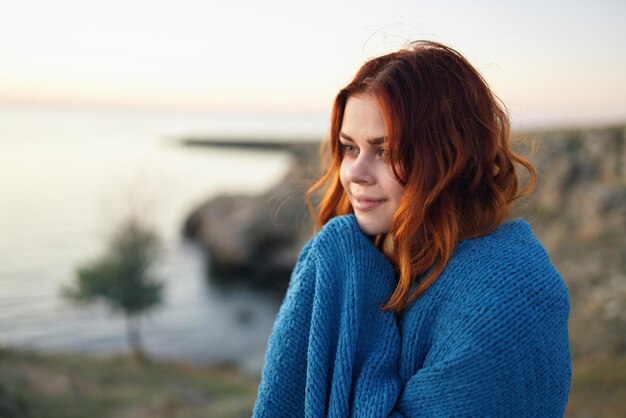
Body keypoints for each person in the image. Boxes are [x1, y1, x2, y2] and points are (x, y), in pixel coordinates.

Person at [253, 40, 571, 417]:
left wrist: (355, 279)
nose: (353, 172)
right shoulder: (367, 254)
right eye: (350, 148)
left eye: (385, 151)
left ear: (450, 155)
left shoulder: (504, 299)